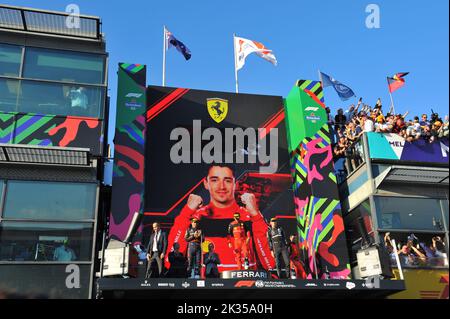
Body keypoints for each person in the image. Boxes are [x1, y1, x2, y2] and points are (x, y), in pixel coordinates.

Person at [166, 164, 274, 273]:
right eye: (214, 180)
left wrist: (255, 214)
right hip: (208, 287)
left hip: (244, 287)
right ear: (206, 183)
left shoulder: (249, 215)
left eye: (227, 180)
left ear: (235, 184)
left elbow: (270, 264)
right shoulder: (196, 217)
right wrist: (186, 213)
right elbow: (170, 262)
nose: (221, 186)